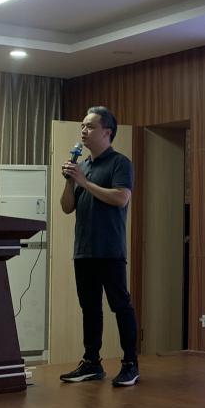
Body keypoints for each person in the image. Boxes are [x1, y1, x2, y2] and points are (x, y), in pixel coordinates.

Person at [58, 106, 140, 387]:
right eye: (82, 126)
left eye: (90, 126)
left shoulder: (120, 163)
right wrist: (71, 182)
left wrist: (84, 181)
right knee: (90, 308)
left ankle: (130, 364)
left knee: (120, 306)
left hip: (109, 249)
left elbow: (121, 198)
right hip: (84, 249)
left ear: (107, 132)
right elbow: (66, 207)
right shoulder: (83, 165)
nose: (83, 131)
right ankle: (92, 362)